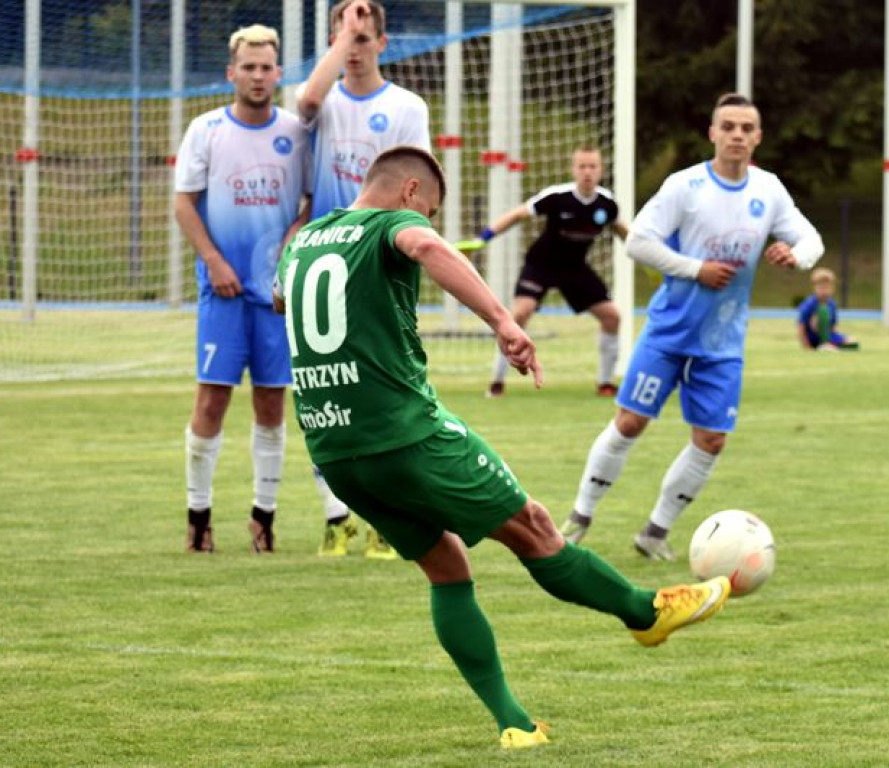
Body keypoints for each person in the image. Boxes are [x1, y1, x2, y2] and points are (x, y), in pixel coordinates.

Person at [273, 145, 731, 749]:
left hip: (334, 449)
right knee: (536, 528)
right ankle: (645, 614)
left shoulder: (311, 236)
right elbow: (428, 248)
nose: (428, 221)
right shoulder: (396, 223)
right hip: (405, 433)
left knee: (447, 567)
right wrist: (503, 321)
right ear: (411, 194)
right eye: (430, 209)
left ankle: (515, 724)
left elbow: (281, 297)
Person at [561, 93, 825, 561]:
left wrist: (795, 256)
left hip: (723, 340)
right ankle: (579, 517)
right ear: (713, 133)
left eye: (747, 127)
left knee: (711, 439)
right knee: (631, 421)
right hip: (669, 331)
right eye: (729, 126)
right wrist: (694, 268)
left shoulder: (768, 190)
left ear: (757, 137)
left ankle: (654, 532)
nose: (737, 135)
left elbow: (810, 239)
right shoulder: (685, 186)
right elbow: (639, 242)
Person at [296, 0, 432, 558]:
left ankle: (386, 520)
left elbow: (417, 185)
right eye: (344, 37)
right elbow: (305, 102)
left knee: (386, 391)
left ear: (383, 42)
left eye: (363, 36)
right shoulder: (319, 98)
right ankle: (337, 518)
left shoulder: (406, 106)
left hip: (378, 261)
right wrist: (341, 34)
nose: (353, 47)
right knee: (323, 393)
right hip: (326, 259)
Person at [174, 24, 310, 554]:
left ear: (278, 74)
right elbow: (185, 202)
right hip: (222, 293)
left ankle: (263, 518)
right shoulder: (205, 130)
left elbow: (307, 203)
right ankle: (198, 517)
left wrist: (291, 246)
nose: (257, 76)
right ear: (231, 73)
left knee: (272, 405)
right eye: (248, 68)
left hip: (274, 297)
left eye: (266, 68)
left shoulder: (297, 132)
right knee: (210, 402)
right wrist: (213, 261)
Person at [466, 145, 628, 397]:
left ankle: (605, 383)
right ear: (573, 169)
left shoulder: (607, 204)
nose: (587, 172)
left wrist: (649, 256)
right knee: (519, 314)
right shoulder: (557, 196)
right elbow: (518, 214)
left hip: (575, 269)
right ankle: (497, 382)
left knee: (612, 317)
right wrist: (483, 238)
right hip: (540, 265)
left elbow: (624, 232)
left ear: (601, 170)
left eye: (592, 166)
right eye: (582, 166)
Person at [797, 267, 859, 350]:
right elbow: (801, 327)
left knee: (853, 341)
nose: (824, 291)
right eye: (821, 287)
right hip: (813, 337)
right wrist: (807, 346)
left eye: (827, 287)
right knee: (822, 312)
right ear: (815, 287)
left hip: (828, 336)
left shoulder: (831, 304)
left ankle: (830, 346)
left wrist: (834, 337)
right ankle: (825, 346)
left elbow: (833, 326)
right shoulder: (809, 304)